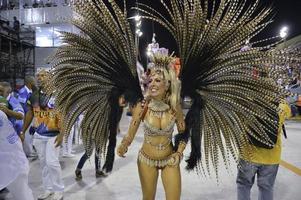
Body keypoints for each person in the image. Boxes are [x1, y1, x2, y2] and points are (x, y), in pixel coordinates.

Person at [117, 55, 186, 200]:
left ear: (167, 85)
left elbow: (183, 132)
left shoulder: (174, 107)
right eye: (150, 81)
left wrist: (178, 153)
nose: (152, 84)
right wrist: (124, 144)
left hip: (169, 159)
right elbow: (132, 129)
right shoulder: (143, 106)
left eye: (157, 80)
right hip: (146, 160)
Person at [21, 69, 64, 200]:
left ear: (50, 77)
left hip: (54, 134)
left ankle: (58, 190)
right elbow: (29, 113)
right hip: (39, 135)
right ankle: (48, 189)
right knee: (44, 163)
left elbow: (64, 114)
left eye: (43, 75)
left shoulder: (58, 95)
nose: (39, 78)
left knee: (52, 162)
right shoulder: (33, 95)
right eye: (38, 76)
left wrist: (62, 134)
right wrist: (23, 130)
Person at [236, 100, 291, 200]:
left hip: (248, 155)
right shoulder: (282, 105)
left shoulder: (245, 101)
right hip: (272, 158)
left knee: (243, 185)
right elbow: (288, 114)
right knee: (266, 188)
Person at [0, 98, 34, 200]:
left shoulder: (5, 109)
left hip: (11, 162)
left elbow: (21, 115)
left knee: (22, 193)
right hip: (13, 161)